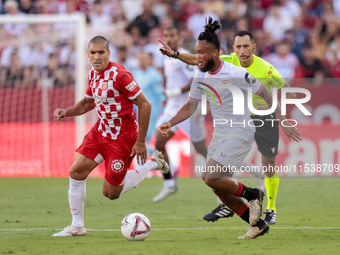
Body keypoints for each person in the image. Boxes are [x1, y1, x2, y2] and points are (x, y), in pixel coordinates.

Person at [159, 18, 301, 239]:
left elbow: (263, 90)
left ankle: (254, 193)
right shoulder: (200, 74)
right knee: (217, 187)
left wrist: (281, 119)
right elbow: (191, 105)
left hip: (240, 132)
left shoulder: (235, 73)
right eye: (196, 52)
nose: (197, 57)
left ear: (215, 53)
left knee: (209, 177)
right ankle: (258, 224)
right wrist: (170, 122)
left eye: (201, 53)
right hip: (220, 134)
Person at [52, 36, 169, 237]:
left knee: (111, 194)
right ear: (88, 54)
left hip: (122, 139)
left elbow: (145, 105)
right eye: (92, 52)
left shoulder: (120, 75)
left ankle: (153, 163)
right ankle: (77, 226)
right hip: (100, 132)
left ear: (108, 53)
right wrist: (67, 111)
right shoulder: (93, 74)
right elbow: (88, 103)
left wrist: (141, 141)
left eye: (101, 52)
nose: (96, 56)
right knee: (76, 172)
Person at [153, 26, 207, 202]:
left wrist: (175, 92)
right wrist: (167, 95)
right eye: (166, 35)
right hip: (171, 108)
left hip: (187, 108)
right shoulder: (167, 57)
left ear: (179, 36)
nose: (169, 38)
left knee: (203, 150)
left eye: (172, 35)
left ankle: (229, 178)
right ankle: (169, 182)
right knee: (159, 141)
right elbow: (170, 80)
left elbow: (194, 81)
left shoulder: (184, 56)